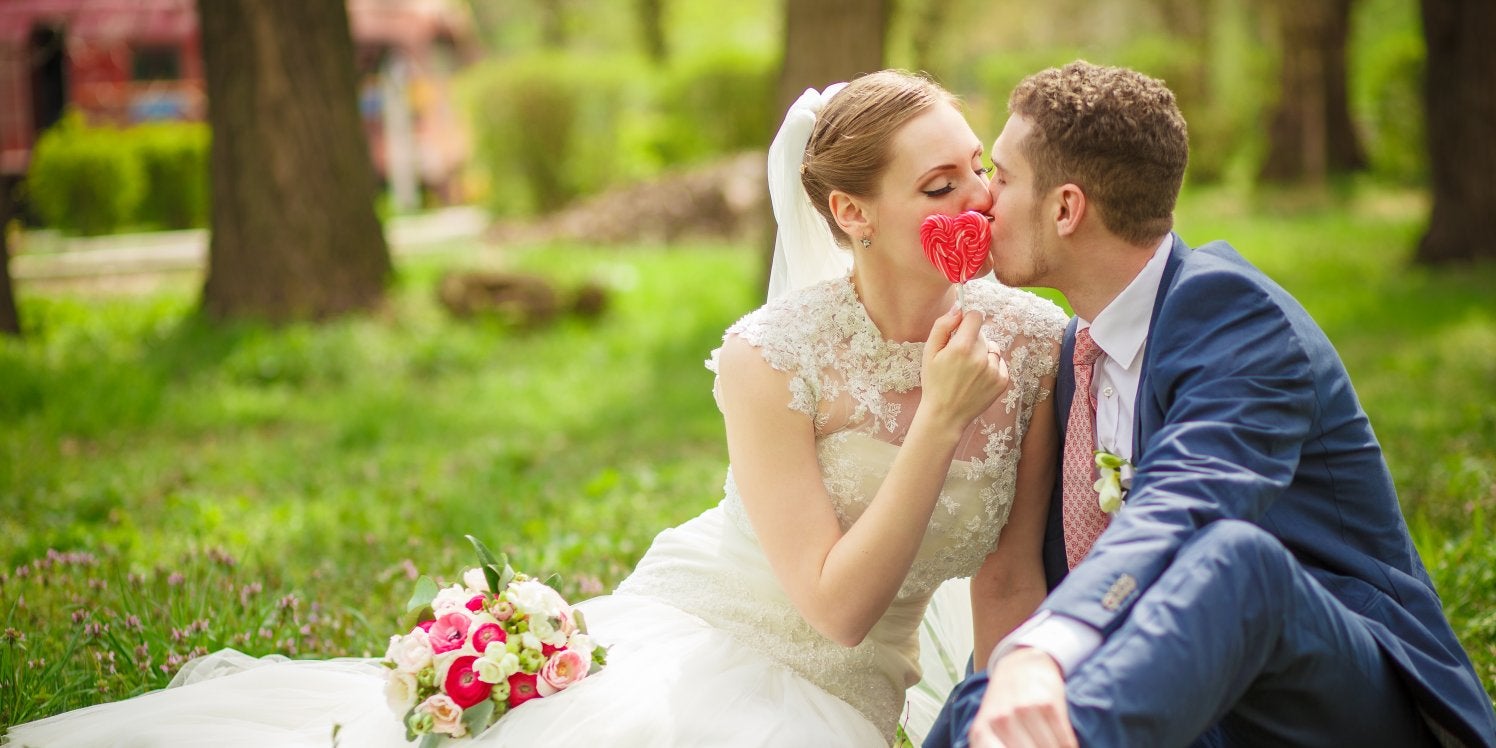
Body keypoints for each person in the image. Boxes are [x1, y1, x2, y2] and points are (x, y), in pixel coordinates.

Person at [4, 70, 1067, 748]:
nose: (975, 200)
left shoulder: (1030, 343)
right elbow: (833, 609)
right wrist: (933, 420)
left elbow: (1010, 578)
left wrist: (984, 723)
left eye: (977, 172)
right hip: (737, 654)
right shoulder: (767, 359)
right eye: (936, 188)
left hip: (873, 697)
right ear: (850, 212)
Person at [925, 60, 1496, 748]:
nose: (983, 200)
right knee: (978, 696)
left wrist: (1044, 651)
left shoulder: (1233, 316)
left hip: (1336, 700)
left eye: (1004, 178)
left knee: (1235, 559)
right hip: (1185, 696)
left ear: (1067, 208)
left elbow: (1186, 499)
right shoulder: (1074, 354)